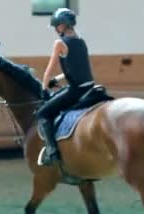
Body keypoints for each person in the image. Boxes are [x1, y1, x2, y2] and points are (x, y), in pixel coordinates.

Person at [35, 8, 95, 166]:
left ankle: (52, 152)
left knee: (42, 114)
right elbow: (78, 68)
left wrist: (44, 86)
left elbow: (49, 69)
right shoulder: (81, 41)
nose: (55, 29)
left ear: (63, 25)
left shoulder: (59, 43)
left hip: (76, 91)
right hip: (90, 87)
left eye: (57, 26)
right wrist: (58, 79)